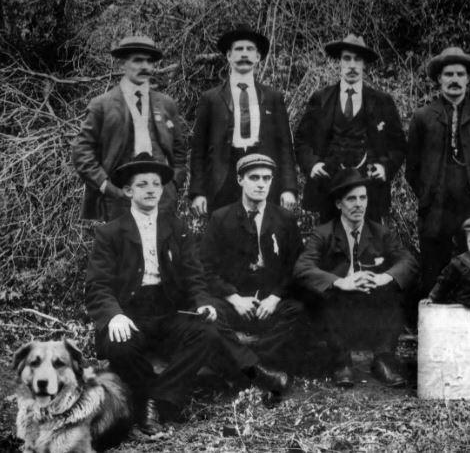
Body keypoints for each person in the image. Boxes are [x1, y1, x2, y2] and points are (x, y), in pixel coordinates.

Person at [85, 154, 281, 435]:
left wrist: (202, 303)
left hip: (167, 313)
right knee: (120, 347)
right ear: (128, 191)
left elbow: (194, 276)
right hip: (128, 313)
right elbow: (97, 286)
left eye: (156, 184)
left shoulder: (177, 228)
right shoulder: (110, 233)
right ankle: (147, 400)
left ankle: (159, 399)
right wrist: (113, 315)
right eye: (142, 184)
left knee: (208, 331)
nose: (151, 189)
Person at [294, 169, 418, 388]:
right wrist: (341, 281)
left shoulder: (380, 233)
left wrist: (384, 278)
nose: (358, 204)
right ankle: (341, 362)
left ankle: (383, 361)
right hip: (339, 308)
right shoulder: (324, 233)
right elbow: (302, 268)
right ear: (338, 204)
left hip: (372, 306)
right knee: (325, 291)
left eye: (363, 198)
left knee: (395, 289)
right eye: (351, 199)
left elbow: (408, 261)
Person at [406, 46, 470, 318]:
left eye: (460, 74)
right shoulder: (423, 116)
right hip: (436, 206)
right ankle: (434, 329)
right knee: (434, 270)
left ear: (468, 79)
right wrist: (427, 193)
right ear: (439, 79)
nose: (454, 79)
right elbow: (411, 167)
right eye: (448, 74)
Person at [200, 154, 305, 389]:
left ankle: (240, 359)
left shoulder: (284, 219)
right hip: (235, 303)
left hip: (269, 304)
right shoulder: (221, 218)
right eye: (254, 177)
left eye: (266, 178)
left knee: (299, 311)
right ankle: (260, 370)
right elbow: (205, 268)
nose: (261, 184)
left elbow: (297, 266)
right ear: (240, 180)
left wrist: (275, 298)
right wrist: (234, 298)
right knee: (209, 315)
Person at [294, 34, 406, 222]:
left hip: (368, 190)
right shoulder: (321, 99)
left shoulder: (382, 102)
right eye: (347, 58)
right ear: (340, 62)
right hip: (329, 188)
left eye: (357, 59)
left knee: (368, 247)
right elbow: (301, 140)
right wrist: (312, 164)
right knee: (329, 245)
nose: (352, 65)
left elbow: (399, 145)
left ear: (364, 64)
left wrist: (384, 167)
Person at [72, 36, 186, 221]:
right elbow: (81, 151)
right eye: (138, 60)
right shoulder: (102, 105)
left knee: (162, 247)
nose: (145, 66)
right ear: (122, 65)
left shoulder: (166, 104)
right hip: (119, 197)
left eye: (149, 61)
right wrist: (106, 187)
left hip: (161, 198)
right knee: (123, 248)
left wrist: (173, 184)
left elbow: (179, 151)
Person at [189, 25, 297, 215]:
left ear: (258, 57)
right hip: (224, 178)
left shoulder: (273, 97)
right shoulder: (211, 98)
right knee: (225, 236)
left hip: (263, 175)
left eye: (250, 49)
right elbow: (199, 150)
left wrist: (288, 188)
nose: (244, 55)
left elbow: (285, 147)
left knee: (262, 234)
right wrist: (198, 192)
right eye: (239, 49)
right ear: (229, 56)